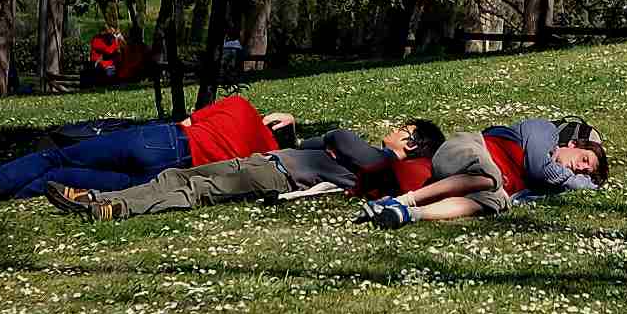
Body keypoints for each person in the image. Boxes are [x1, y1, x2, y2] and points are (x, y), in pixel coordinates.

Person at [44, 119, 446, 221]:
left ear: (409, 144)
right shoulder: (368, 156)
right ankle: (101, 200)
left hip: (275, 176)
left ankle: (117, 208)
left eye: (402, 129)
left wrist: (333, 138)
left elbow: (338, 138)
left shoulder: (382, 164)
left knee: (196, 190)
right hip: (266, 163)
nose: (394, 129)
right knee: (179, 177)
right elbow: (310, 146)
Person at [0, 95, 292, 204]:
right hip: (164, 179)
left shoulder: (242, 107)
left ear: (273, 119)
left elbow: (191, 122)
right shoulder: (267, 161)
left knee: (58, 154)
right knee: (62, 176)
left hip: (167, 143)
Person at [357, 118, 608, 229]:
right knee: (492, 178)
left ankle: (408, 214)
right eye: (585, 160)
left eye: (587, 173)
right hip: (467, 149)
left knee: (495, 200)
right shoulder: (544, 131)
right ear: (573, 144)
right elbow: (541, 169)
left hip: (484, 183)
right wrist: (581, 183)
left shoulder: (542, 187)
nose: (581, 169)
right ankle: (403, 200)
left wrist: (583, 183)